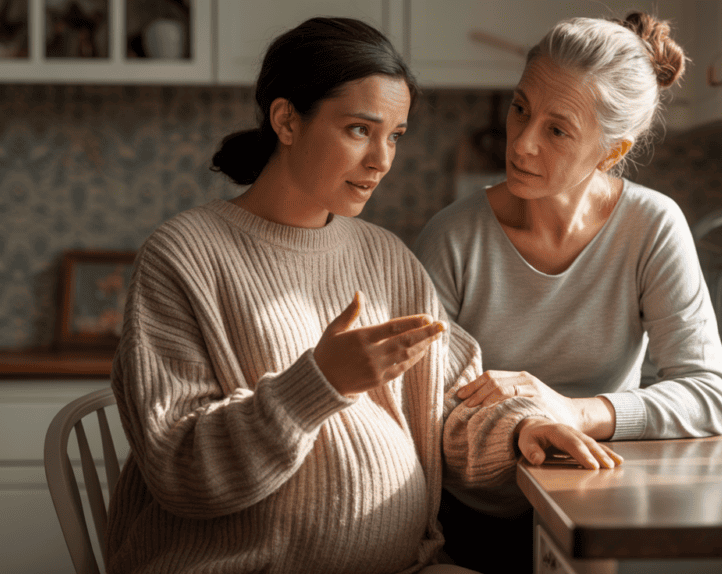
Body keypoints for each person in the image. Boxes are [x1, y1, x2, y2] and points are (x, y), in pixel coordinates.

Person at [105, 17, 620, 574]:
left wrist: (524, 428)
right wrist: (320, 382)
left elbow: (455, 407)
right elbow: (179, 468)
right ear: (286, 120)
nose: (382, 160)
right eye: (359, 130)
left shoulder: (386, 258)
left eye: (394, 135)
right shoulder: (184, 256)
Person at [413, 12, 722, 573]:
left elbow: (707, 394)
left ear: (610, 152)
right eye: (520, 108)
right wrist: (524, 424)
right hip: (470, 520)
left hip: (597, 504)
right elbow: (418, 407)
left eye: (557, 130)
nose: (522, 143)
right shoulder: (453, 237)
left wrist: (573, 411)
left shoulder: (651, 227)